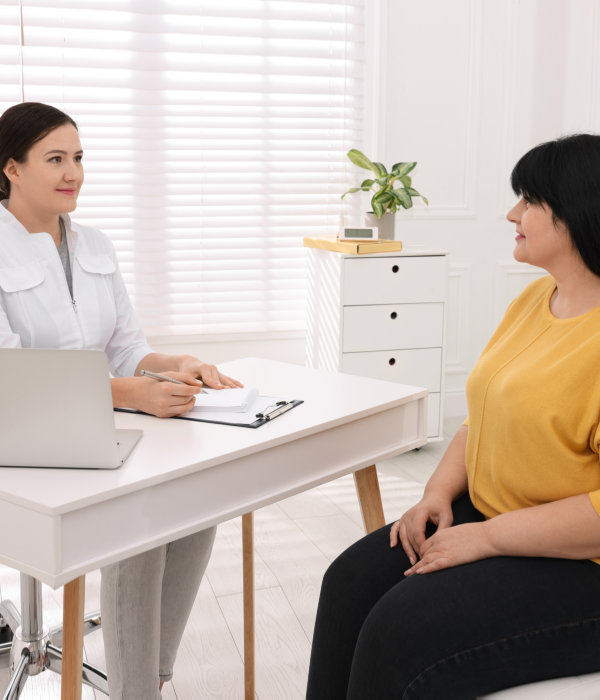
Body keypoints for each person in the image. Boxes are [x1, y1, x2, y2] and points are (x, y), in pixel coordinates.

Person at [306, 133, 600, 699]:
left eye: (530, 199)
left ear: (580, 211)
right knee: (347, 584)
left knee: (400, 629)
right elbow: (484, 418)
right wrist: (437, 495)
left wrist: (487, 539)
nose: (512, 212)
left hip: (581, 563)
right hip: (493, 514)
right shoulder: (533, 302)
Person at [0, 101, 242, 699]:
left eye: (78, 158)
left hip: (96, 427)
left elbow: (127, 345)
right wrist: (132, 392)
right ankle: (137, 691)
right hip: (19, 438)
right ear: (11, 168)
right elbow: (13, 374)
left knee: (193, 497)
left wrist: (173, 364)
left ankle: (149, 676)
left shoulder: (95, 246)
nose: (72, 172)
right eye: (55, 158)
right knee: (137, 518)